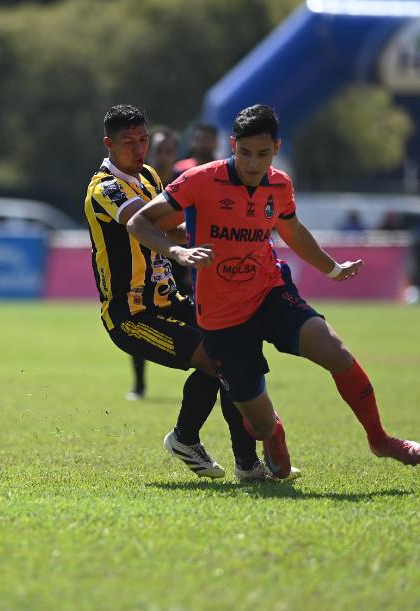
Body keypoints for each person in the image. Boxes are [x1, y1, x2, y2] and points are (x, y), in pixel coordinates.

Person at [127, 104, 420, 470]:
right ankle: (274, 434)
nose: (254, 164)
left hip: (269, 291)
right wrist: (178, 250)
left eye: (263, 155)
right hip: (222, 318)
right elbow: (140, 222)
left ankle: (380, 440)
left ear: (277, 148)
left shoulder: (279, 184)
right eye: (246, 153)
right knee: (262, 423)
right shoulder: (199, 180)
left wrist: (332, 269)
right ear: (233, 145)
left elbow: (293, 232)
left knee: (336, 353)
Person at [87, 104, 295, 482]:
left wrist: (228, 239)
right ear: (109, 145)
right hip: (131, 315)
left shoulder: (148, 175)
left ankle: (234, 459)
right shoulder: (105, 189)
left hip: (169, 302)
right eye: (128, 142)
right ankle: (219, 452)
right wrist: (178, 251)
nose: (139, 149)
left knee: (235, 355)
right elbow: (141, 225)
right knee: (220, 362)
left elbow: (173, 227)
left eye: (143, 140)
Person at [126, 127, 185, 401]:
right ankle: (139, 385)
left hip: (180, 261)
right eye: (158, 150)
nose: (162, 156)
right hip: (146, 262)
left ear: (175, 154)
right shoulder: (139, 181)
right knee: (140, 321)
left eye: (167, 151)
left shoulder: (183, 183)